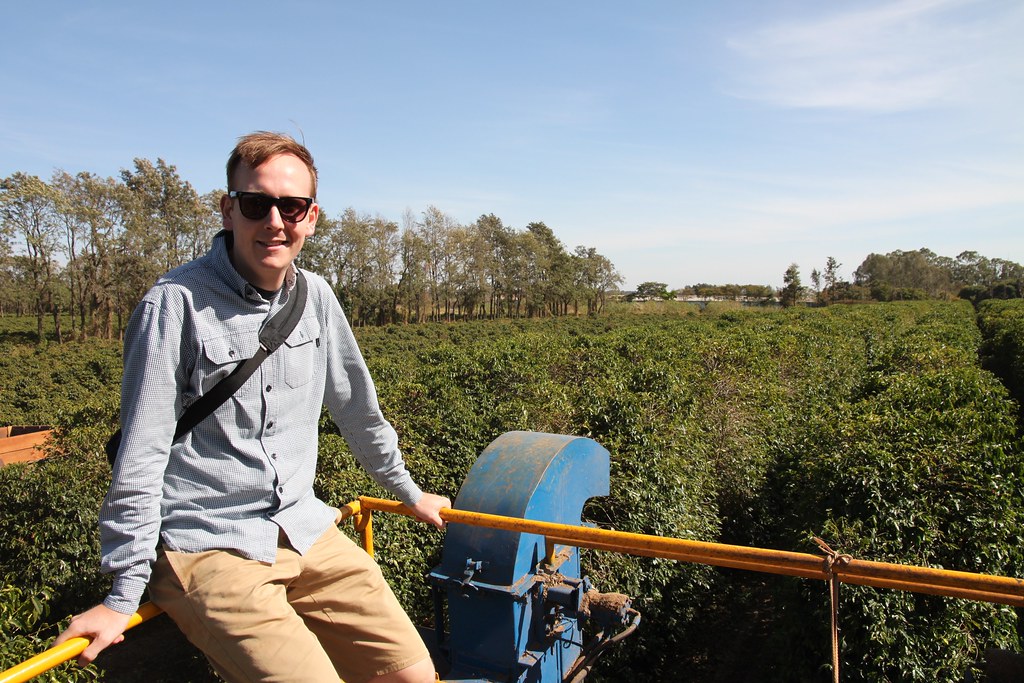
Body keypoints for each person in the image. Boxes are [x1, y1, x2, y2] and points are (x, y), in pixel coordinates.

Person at [54, 131, 449, 683]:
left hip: (303, 527)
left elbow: (358, 410)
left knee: (412, 673)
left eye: (291, 207)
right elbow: (141, 454)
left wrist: (407, 491)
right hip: (208, 545)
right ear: (228, 209)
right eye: (256, 203)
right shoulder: (174, 304)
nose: (274, 222)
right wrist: (123, 593)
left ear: (311, 217)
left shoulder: (318, 298)